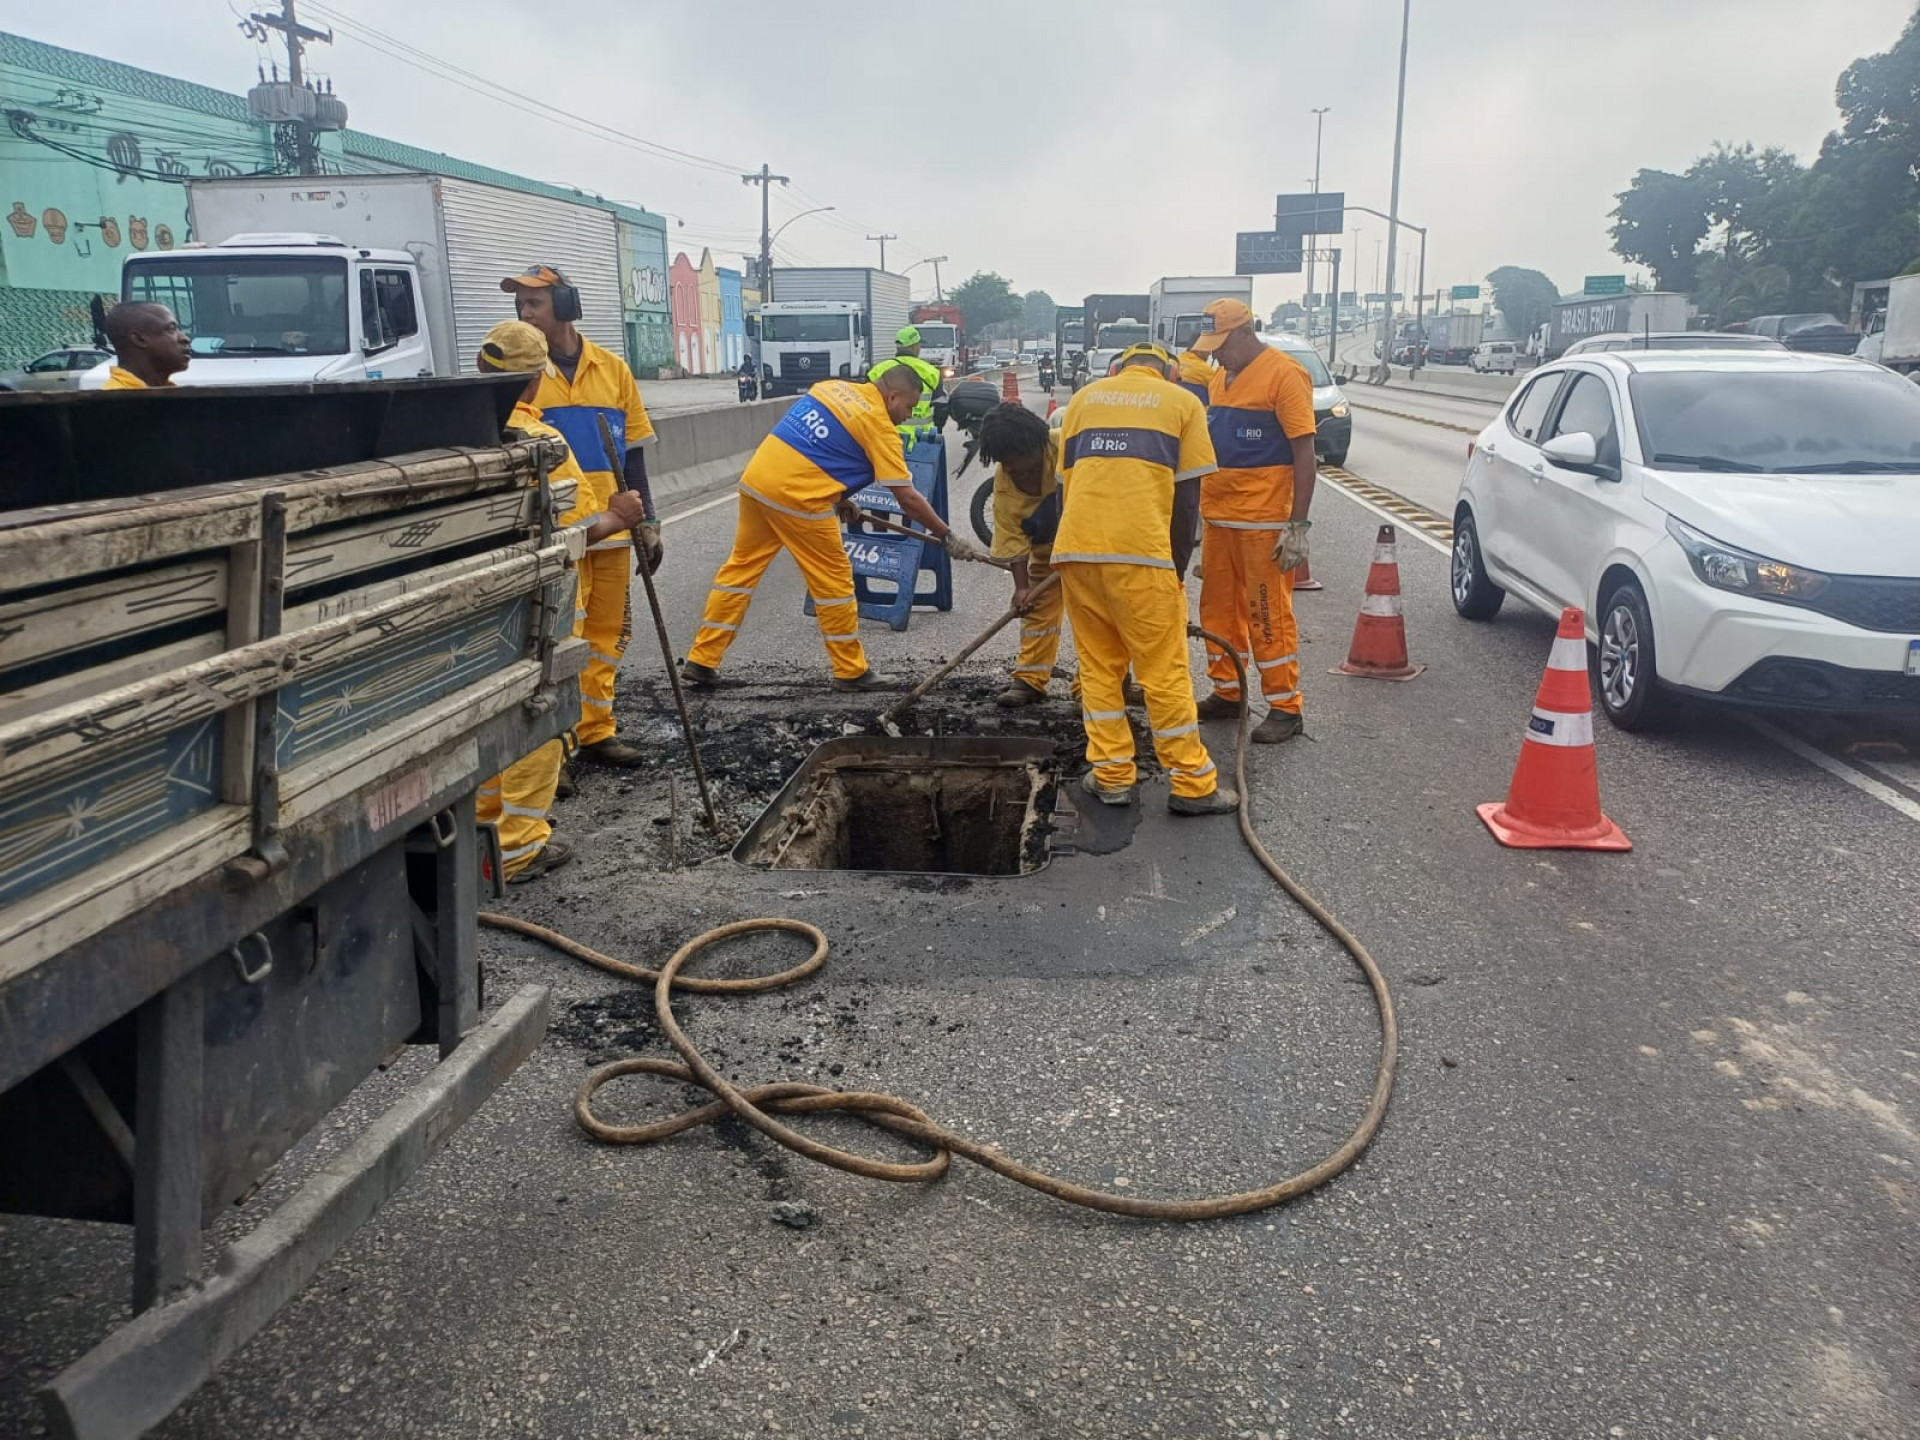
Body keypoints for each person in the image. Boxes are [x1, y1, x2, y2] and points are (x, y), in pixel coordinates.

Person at [471, 320, 649, 882]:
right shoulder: (538, 443)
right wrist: (619, 517)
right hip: (539, 602)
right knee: (538, 715)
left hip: (488, 600)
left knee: (493, 709)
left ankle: (481, 828)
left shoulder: (467, 431)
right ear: (533, 378)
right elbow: (566, 538)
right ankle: (519, 846)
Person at [681, 366, 983, 690]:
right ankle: (851, 671)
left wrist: (839, 497)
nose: (907, 416)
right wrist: (946, 535)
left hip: (758, 482)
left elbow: (821, 447)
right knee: (835, 583)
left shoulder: (831, 388)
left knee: (739, 573)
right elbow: (907, 497)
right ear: (892, 396)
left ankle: (702, 658)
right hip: (799, 497)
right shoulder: (879, 425)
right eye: (908, 407)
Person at [1052, 341, 1235, 816]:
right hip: (1142, 555)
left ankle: (1112, 776)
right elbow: (1188, 496)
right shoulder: (1183, 403)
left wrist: (1067, 548)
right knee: (1162, 670)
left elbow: (1066, 485)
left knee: (1098, 668)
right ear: (1169, 373)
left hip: (1076, 549)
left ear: (1117, 368)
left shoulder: (1083, 400)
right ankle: (1193, 784)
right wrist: (1174, 568)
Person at [502, 263, 659, 768]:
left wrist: (647, 520)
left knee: (607, 634)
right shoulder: (522, 378)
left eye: (534, 304)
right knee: (555, 638)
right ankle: (554, 749)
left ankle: (595, 730)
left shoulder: (613, 370)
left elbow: (632, 453)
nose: (524, 314)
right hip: (559, 533)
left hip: (612, 527)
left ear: (566, 307)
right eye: (520, 305)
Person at [1191, 298, 1317, 744]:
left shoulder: (1285, 374)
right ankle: (1227, 692)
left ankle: (1285, 706)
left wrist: (1297, 525)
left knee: (1267, 614)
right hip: (1221, 518)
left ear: (1246, 332)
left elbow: (1305, 453)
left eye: (1223, 344)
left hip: (1262, 520)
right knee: (1217, 611)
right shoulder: (1221, 375)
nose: (1218, 354)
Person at [977, 402, 1067, 707]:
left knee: (1098, 615)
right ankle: (1030, 680)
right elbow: (1012, 540)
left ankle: (1106, 686)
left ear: (1036, 445)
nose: (1010, 468)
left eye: (1015, 459)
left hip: (1090, 546)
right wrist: (1022, 588)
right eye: (1004, 461)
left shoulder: (1068, 446)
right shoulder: (1004, 485)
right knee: (1037, 611)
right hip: (1046, 550)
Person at [868, 325, 943, 444]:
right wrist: (937, 432)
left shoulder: (877, 371)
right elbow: (941, 407)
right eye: (919, 344)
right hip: (922, 442)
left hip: (887, 440)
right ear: (914, 346)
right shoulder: (931, 372)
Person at [101, 302, 191, 389]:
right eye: (171, 329)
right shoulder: (116, 400)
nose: (185, 339)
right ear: (139, 339)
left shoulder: (168, 394)